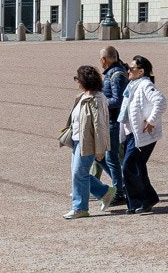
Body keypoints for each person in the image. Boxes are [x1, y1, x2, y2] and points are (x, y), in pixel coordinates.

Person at [62, 64, 115, 219]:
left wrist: (100, 149)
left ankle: (80, 208)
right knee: (79, 173)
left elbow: (100, 126)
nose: (76, 82)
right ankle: (105, 192)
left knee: (79, 173)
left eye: (77, 78)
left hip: (89, 142)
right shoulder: (81, 96)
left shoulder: (97, 99)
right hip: (78, 140)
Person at [117, 54, 166, 214]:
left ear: (141, 71)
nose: (128, 70)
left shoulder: (145, 85)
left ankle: (145, 199)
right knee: (136, 166)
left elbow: (161, 101)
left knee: (129, 166)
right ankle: (138, 202)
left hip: (143, 135)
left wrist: (151, 120)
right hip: (133, 133)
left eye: (132, 68)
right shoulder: (133, 85)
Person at [96, 46, 129, 210]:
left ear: (104, 59)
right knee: (101, 156)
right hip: (109, 120)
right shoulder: (113, 73)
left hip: (114, 122)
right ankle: (120, 186)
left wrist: (100, 101)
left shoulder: (116, 74)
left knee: (111, 157)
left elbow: (119, 100)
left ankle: (119, 191)